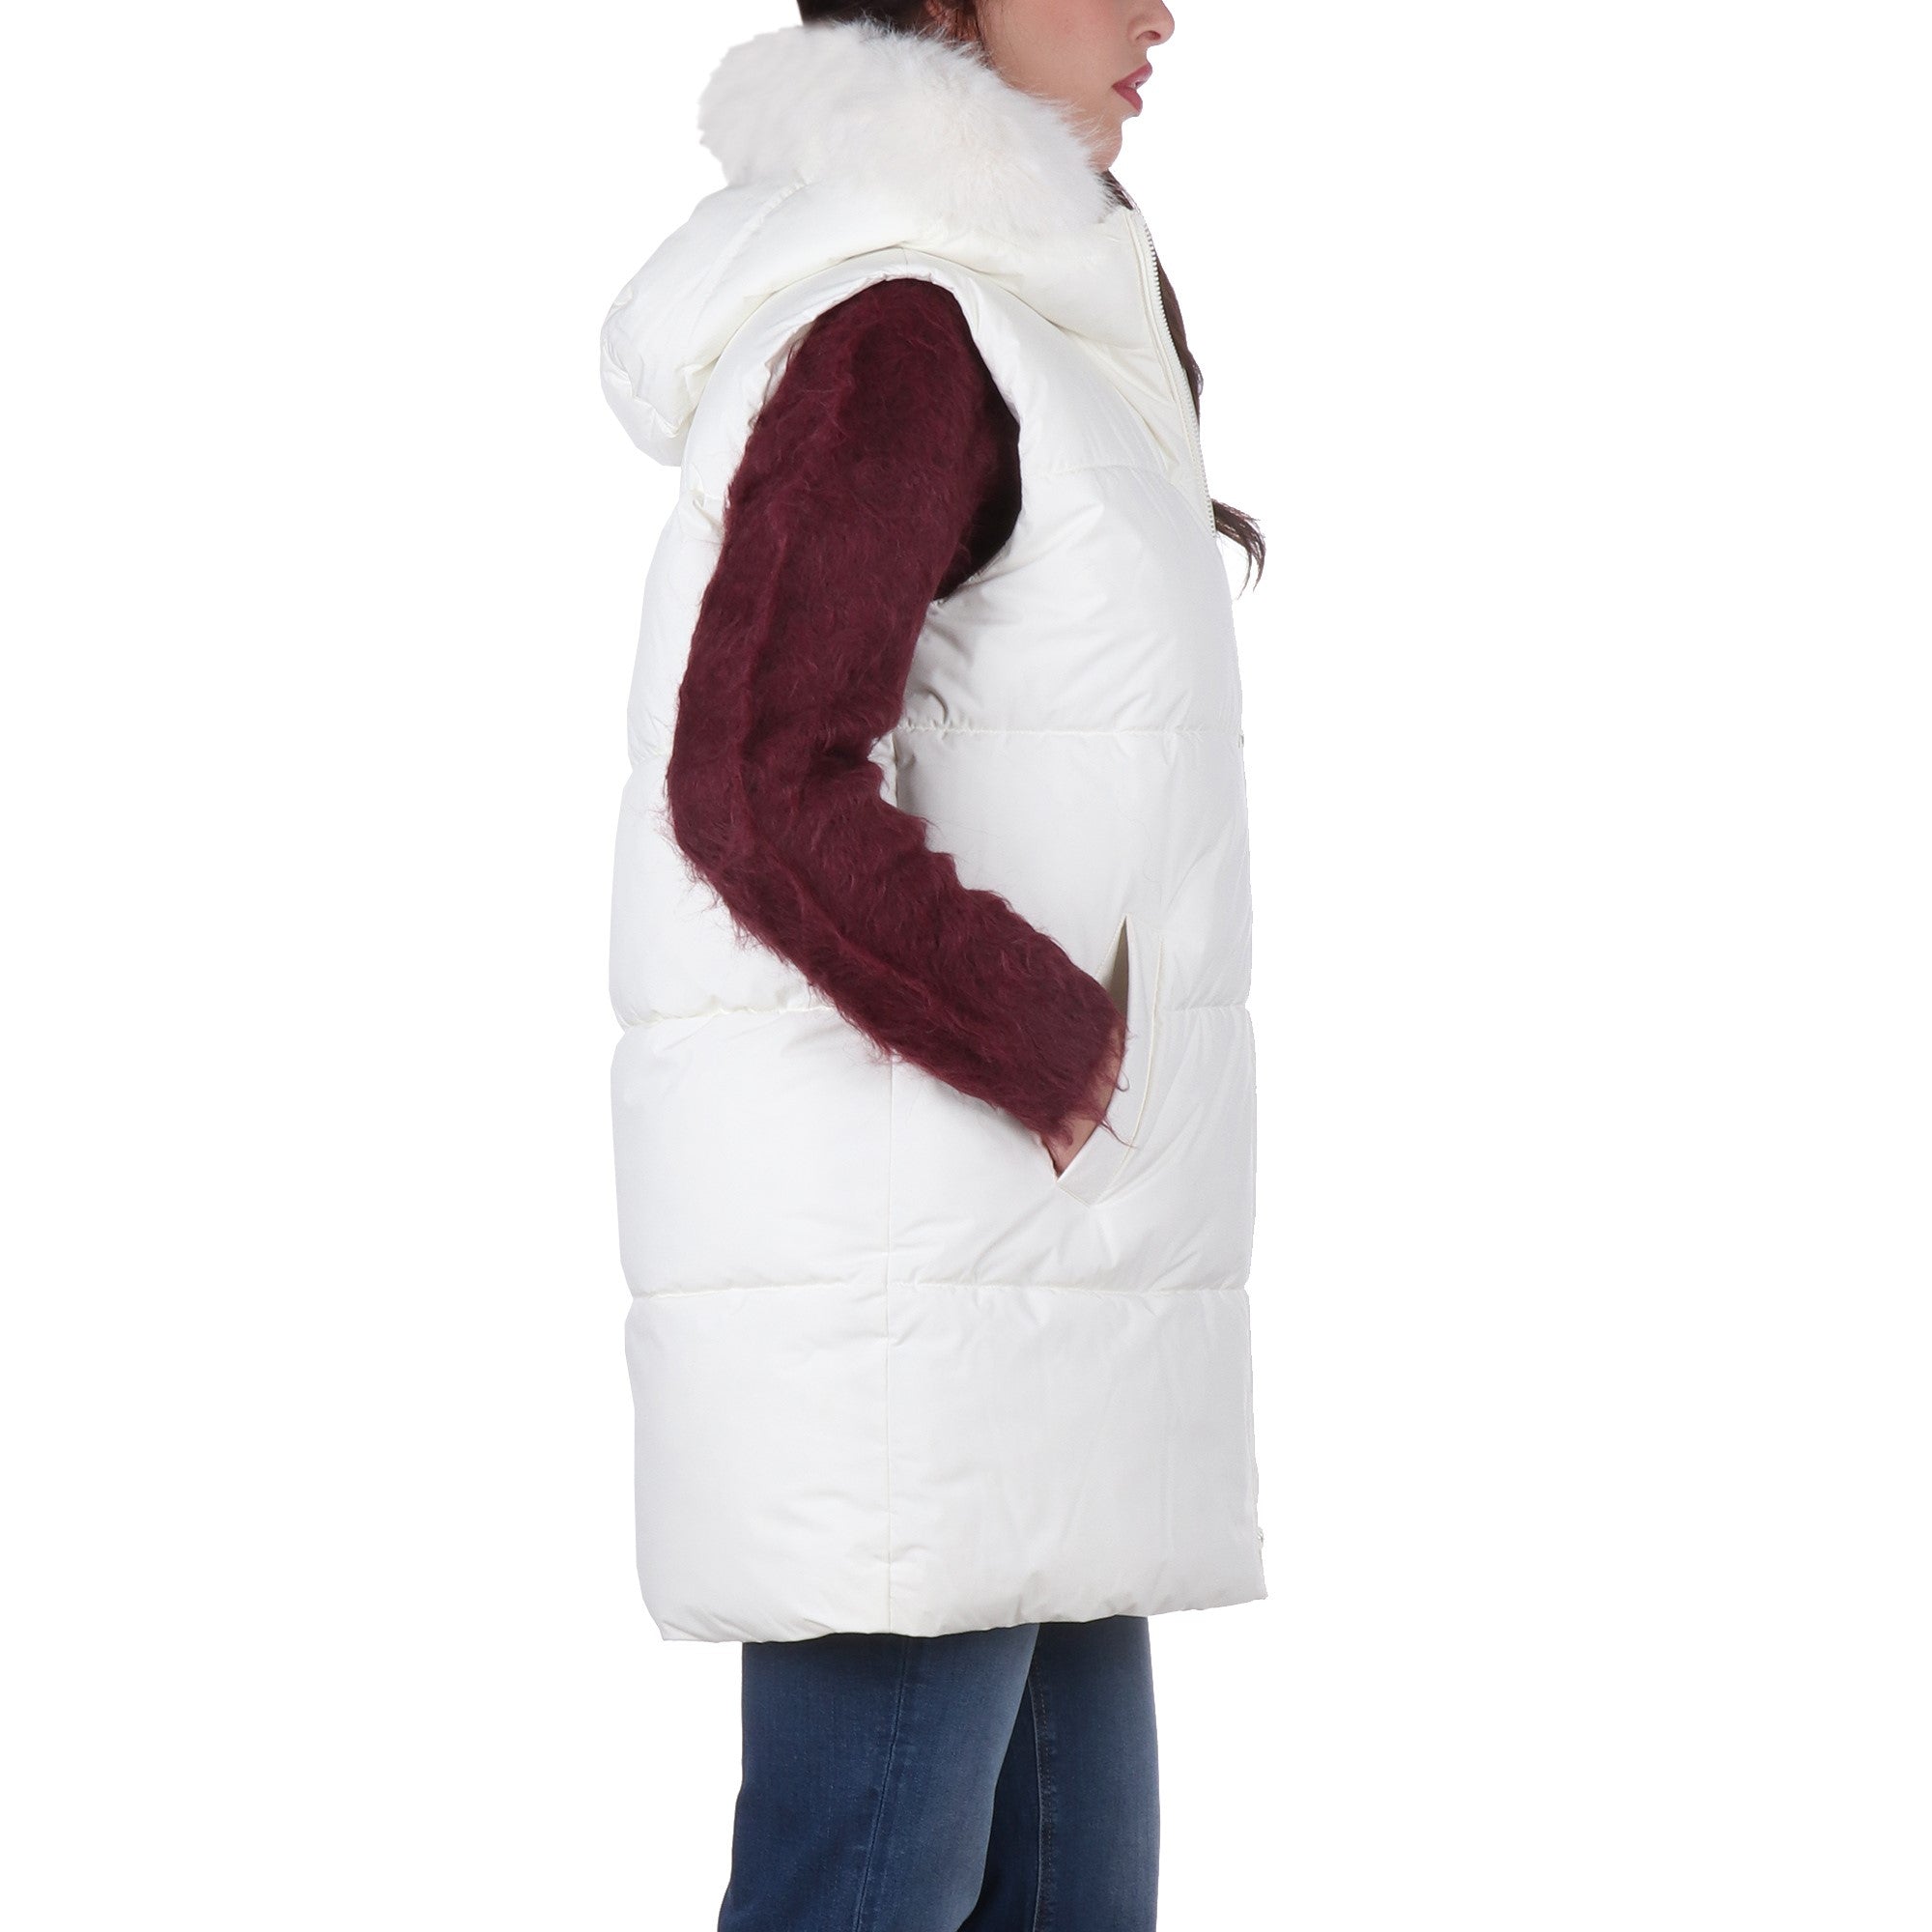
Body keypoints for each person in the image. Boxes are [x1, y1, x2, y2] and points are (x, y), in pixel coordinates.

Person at [599, 4, 1267, 1925]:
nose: (1160, 11)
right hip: (918, 1313)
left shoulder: (1033, 315)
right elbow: (751, 777)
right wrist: (1053, 1039)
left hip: (1034, 1294)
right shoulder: (904, 326)